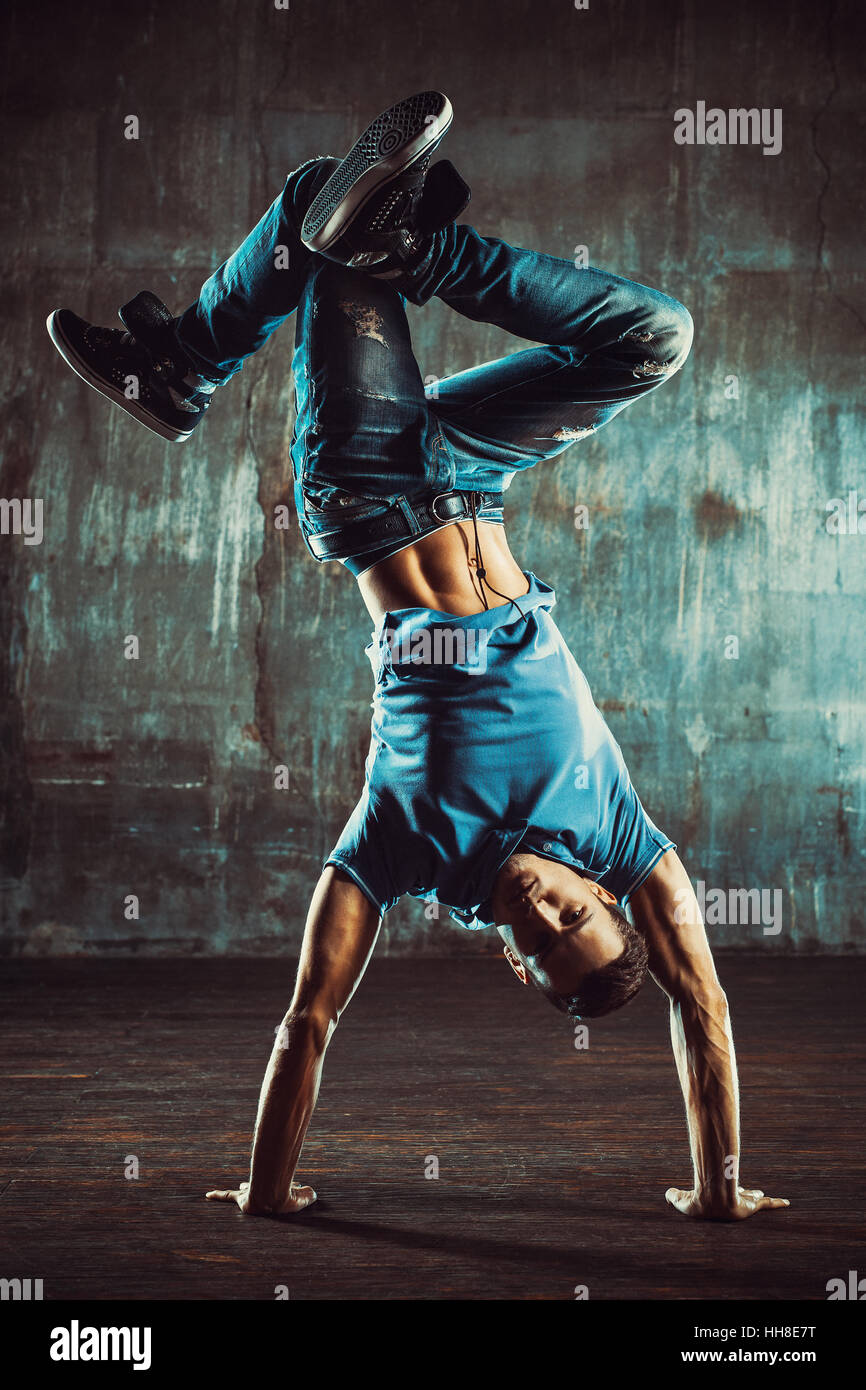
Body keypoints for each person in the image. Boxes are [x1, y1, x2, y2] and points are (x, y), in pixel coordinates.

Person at [47, 92, 789, 1223]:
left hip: (374, 482)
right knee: (655, 337)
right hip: (474, 465)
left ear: (511, 961)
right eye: (577, 915)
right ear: (604, 897)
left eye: (538, 941)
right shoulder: (616, 832)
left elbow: (308, 1020)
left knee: (320, 205)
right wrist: (720, 1188)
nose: (546, 911)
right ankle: (391, 259)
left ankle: (196, 361)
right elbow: (706, 1006)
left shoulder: (403, 848)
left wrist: (267, 1191)